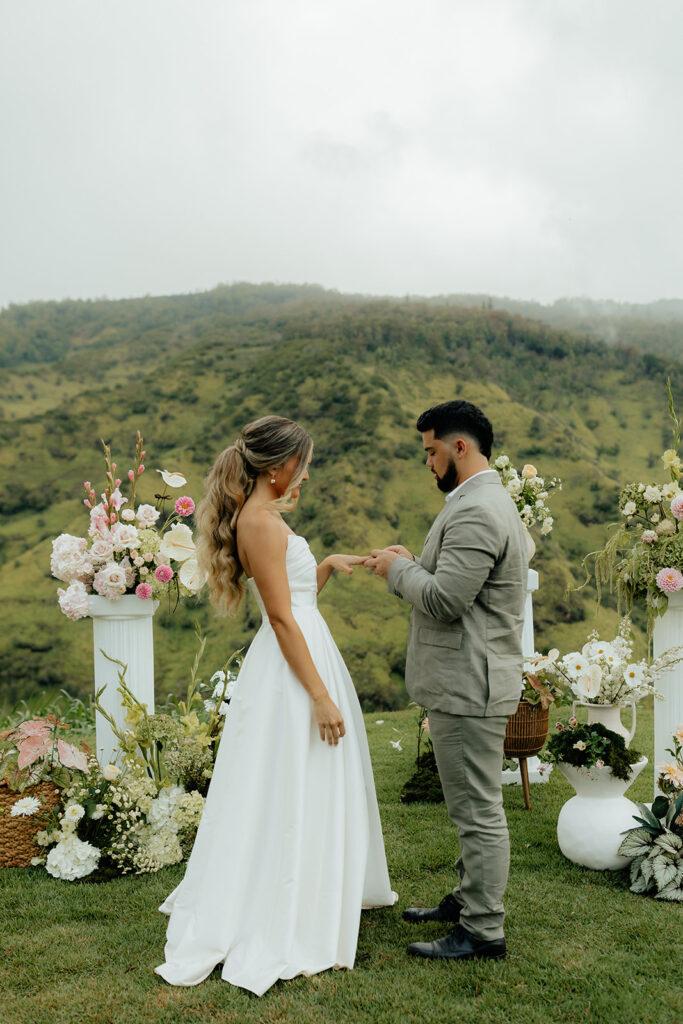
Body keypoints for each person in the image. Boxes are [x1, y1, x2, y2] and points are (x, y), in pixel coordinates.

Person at [155, 415, 396, 996]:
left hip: (302, 647)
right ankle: (286, 898)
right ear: (276, 465)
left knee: (303, 773)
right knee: (291, 776)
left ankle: (315, 882)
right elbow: (281, 617)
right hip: (293, 665)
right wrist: (318, 695)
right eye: (303, 463)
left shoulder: (266, 520)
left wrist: (324, 568)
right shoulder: (260, 523)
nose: (306, 474)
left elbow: (294, 597)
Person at [365, 400, 528, 963]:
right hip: (470, 678)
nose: (428, 464)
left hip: (470, 684)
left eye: (432, 452)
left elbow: (446, 600)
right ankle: (466, 900)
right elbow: (459, 583)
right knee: (470, 806)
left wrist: (396, 571)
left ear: (461, 447)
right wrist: (414, 559)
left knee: (478, 811)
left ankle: (483, 929)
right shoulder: (481, 499)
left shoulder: (479, 509)